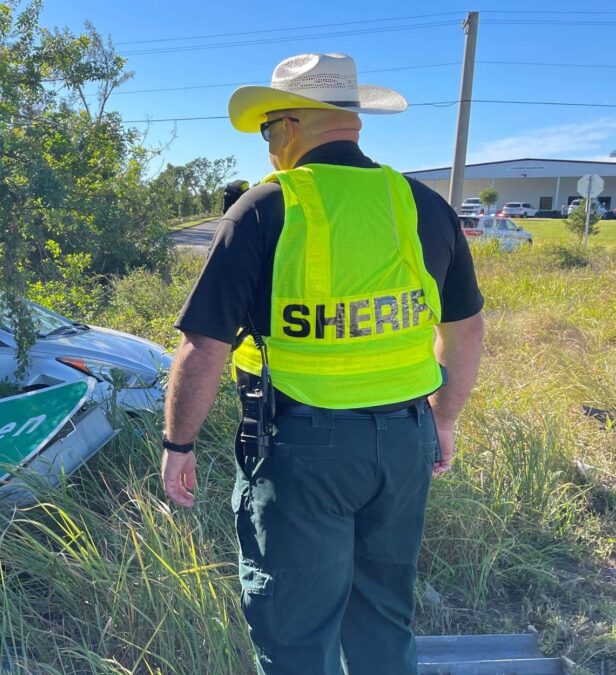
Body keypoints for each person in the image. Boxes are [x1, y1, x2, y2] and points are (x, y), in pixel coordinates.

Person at [159, 53, 485, 675]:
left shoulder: (262, 210)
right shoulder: (418, 204)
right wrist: (442, 422)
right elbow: (465, 330)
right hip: (404, 441)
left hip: (300, 450)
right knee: (384, 616)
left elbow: (203, 347)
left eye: (265, 131)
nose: (267, 147)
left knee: (295, 631)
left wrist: (179, 443)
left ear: (288, 127)